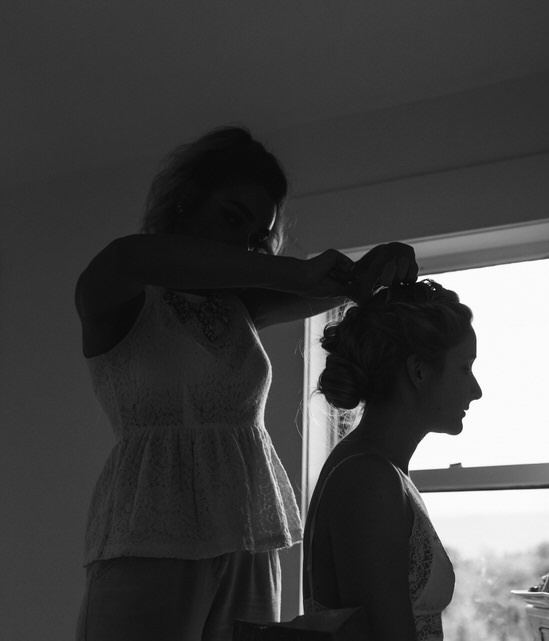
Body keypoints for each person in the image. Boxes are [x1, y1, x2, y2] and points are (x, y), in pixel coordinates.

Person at [74, 125, 418, 641]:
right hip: (149, 535)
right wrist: (289, 270)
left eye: (257, 238)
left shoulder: (240, 306)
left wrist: (382, 262)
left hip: (247, 537)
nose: (243, 245)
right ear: (187, 202)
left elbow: (345, 286)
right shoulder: (121, 294)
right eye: (232, 218)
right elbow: (130, 255)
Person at [303, 280, 483, 641]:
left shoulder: (381, 470)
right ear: (418, 371)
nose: (476, 390)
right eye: (465, 368)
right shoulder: (368, 479)